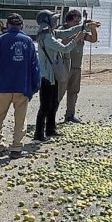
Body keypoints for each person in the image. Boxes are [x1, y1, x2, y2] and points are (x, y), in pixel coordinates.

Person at [0, 13, 40, 159]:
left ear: (8, 25)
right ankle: (16, 147)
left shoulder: (0, 41)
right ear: (21, 25)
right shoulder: (28, 41)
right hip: (21, 86)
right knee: (20, 118)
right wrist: (35, 85)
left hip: (3, 86)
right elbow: (34, 66)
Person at [34, 10, 85, 141]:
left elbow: (66, 32)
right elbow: (65, 49)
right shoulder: (47, 37)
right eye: (53, 20)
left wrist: (83, 26)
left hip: (53, 75)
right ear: (47, 22)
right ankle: (39, 134)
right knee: (45, 106)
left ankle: (50, 129)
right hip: (47, 76)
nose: (56, 22)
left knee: (53, 102)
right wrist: (77, 39)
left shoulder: (51, 33)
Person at [58, 10, 100, 123]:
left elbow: (93, 39)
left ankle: (70, 115)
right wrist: (77, 34)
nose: (77, 23)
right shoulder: (62, 29)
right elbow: (62, 41)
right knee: (58, 93)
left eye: (79, 21)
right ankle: (50, 115)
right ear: (69, 20)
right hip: (64, 66)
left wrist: (92, 28)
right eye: (75, 21)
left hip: (76, 67)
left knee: (73, 92)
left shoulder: (81, 30)